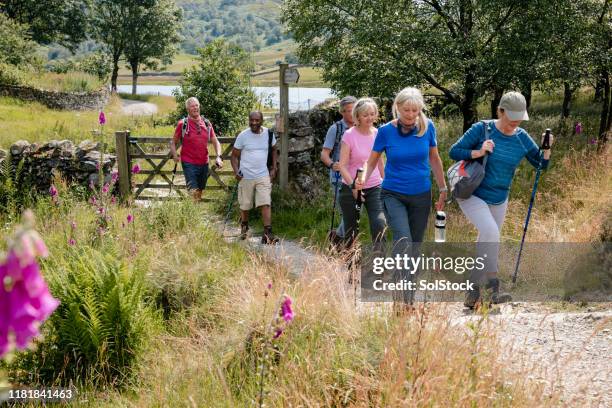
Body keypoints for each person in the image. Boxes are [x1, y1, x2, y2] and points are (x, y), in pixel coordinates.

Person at [449, 91, 554, 308]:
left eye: (518, 120)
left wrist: (547, 149)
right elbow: (454, 151)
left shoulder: (521, 137)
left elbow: (540, 166)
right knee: (491, 233)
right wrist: (479, 151)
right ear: (500, 111)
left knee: (489, 240)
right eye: (510, 119)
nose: (513, 124)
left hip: (499, 197)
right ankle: (487, 287)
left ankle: (479, 292)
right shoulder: (482, 128)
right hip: (472, 192)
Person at [338, 98, 386, 247]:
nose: (369, 118)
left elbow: (379, 161)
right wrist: (353, 186)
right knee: (351, 231)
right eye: (365, 115)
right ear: (357, 116)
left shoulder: (377, 133)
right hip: (350, 187)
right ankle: (351, 266)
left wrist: (385, 181)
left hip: (374, 187)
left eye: (372, 114)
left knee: (380, 223)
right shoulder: (349, 135)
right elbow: (342, 165)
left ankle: (379, 264)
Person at [231, 111, 279, 244]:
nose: (254, 123)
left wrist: (274, 167)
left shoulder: (268, 134)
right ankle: (244, 228)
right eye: (251, 120)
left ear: (262, 120)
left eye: (257, 120)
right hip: (245, 176)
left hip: (263, 175)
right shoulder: (243, 136)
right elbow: (234, 156)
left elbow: (274, 150)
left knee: (265, 202)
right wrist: (236, 171)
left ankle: (267, 234)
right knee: (245, 205)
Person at [170, 97, 223, 201]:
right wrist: (174, 155)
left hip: (204, 162)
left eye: (197, 105)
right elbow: (173, 142)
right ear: (188, 109)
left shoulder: (207, 123)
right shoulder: (183, 124)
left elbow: (215, 141)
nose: (195, 108)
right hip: (188, 163)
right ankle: (192, 214)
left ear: (199, 107)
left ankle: (195, 211)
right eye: (192, 106)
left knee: (199, 190)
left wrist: (218, 156)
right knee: (193, 190)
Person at [320, 96, 356, 242]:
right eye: (347, 111)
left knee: (354, 212)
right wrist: (331, 164)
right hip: (338, 177)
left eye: (353, 110)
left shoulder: (362, 128)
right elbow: (324, 154)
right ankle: (344, 242)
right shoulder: (336, 129)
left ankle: (338, 238)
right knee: (347, 213)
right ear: (342, 112)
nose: (351, 114)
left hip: (357, 177)